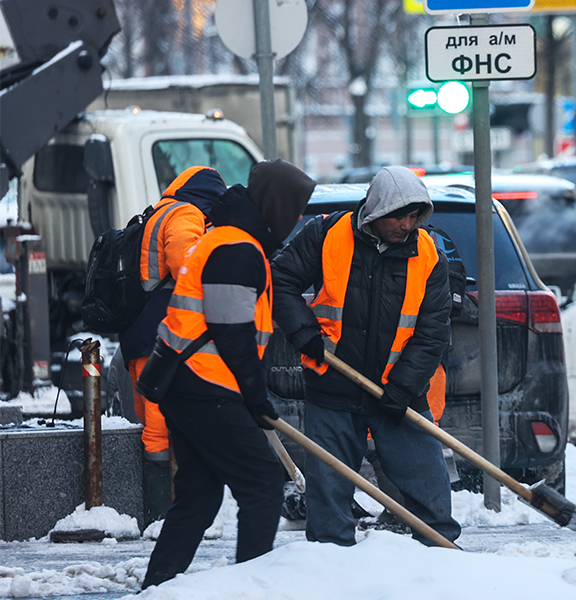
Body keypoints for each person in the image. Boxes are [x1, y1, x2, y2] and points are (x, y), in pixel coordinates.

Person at [141, 160, 316, 589]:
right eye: (294, 209)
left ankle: (157, 587)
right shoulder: (236, 249)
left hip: (189, 383)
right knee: (262, 484)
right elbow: (231, 331)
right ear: (276, 205)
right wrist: (256, 397)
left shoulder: (231, 239)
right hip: (206, 384)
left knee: (199, 497)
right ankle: (249, 587)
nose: (295, 219)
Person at [271, 165, 460, 548]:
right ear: (375, 211)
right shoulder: (326, 235)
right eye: (398, 216)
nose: (406, 225)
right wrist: (305, 332)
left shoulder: (429, 256)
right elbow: (280, 281)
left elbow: (432, 332)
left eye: (413, 216)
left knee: (430, 491)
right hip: (334, 386)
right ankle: (331, 569)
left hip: (397, 393)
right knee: (328, 498)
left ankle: (443, 564)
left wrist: (405, 385)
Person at [120, 166, 227, 524]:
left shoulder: (159, 211)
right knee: (158, 424)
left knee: (151, 417)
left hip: (142, 330)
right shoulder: (184, 214)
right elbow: (186, 264)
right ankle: (162, 511)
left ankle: (159, 507)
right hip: (161, 332)